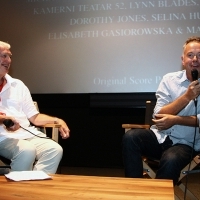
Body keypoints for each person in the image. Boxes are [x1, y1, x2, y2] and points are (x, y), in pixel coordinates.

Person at [122, 36, 200, 185]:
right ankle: (135, 190)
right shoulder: (169, 80)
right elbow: (159, 114)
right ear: (183, 60)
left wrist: (176, 120)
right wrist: (187, 96)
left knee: (171, 159)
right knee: (131, 137)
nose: (195, 59)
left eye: (199, 55)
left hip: (186, 144)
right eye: (190, 55)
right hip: (160, 137)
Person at [0, 41, 70, 174]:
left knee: (54, 150)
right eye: (4, 56)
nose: (8, 60)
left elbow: (35, 117)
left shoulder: (18, 85)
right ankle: (17, 192)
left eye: (9, 56)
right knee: (26, 150)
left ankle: (35, 187)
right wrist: (4, 120)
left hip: (24, 134)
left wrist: (57, 120)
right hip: (2, 137)